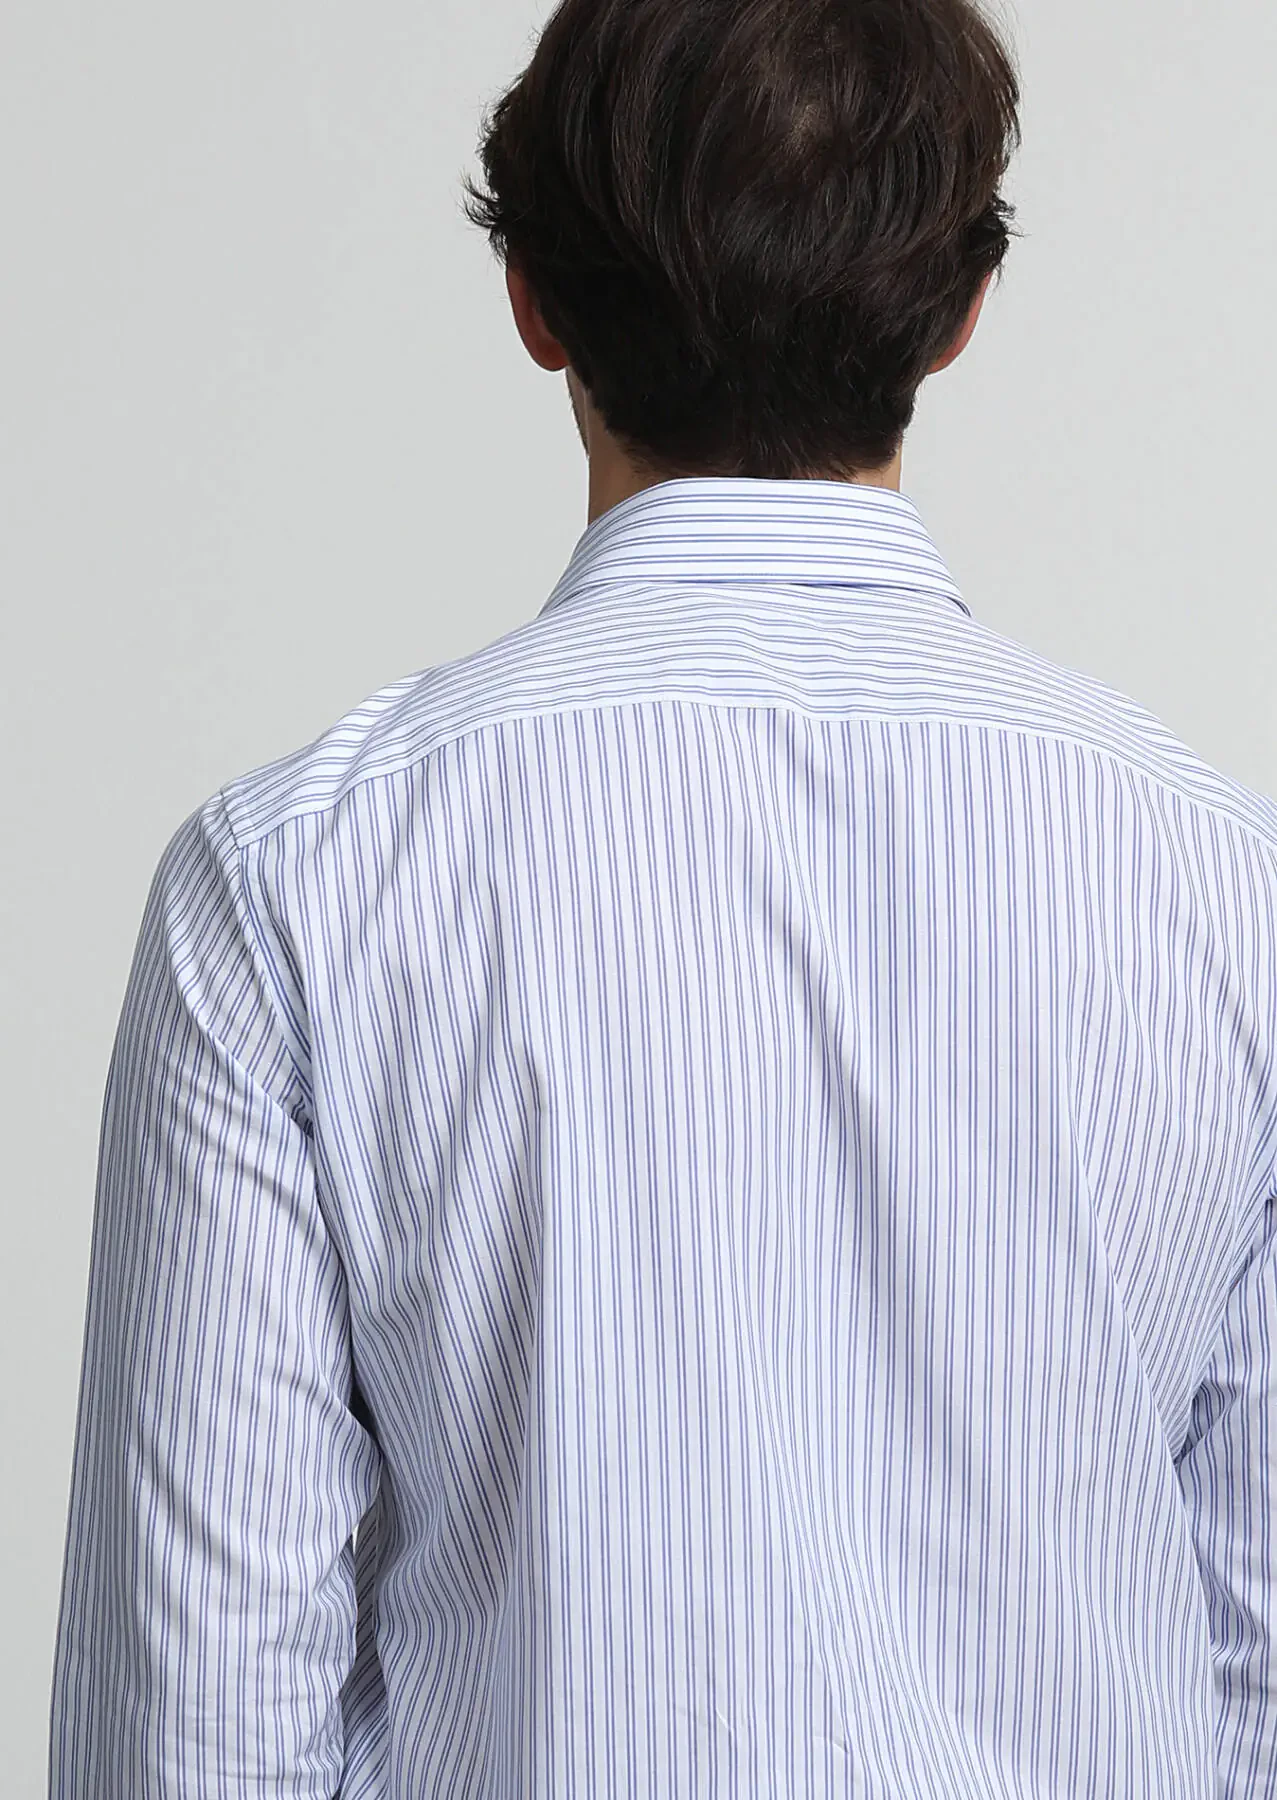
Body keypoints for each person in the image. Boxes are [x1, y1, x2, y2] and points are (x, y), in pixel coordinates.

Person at [49, 0, 1277, 1795]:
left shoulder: (292, 884)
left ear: (532, 299)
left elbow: (196, 1729)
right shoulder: (1225, 887)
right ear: (958, 313)